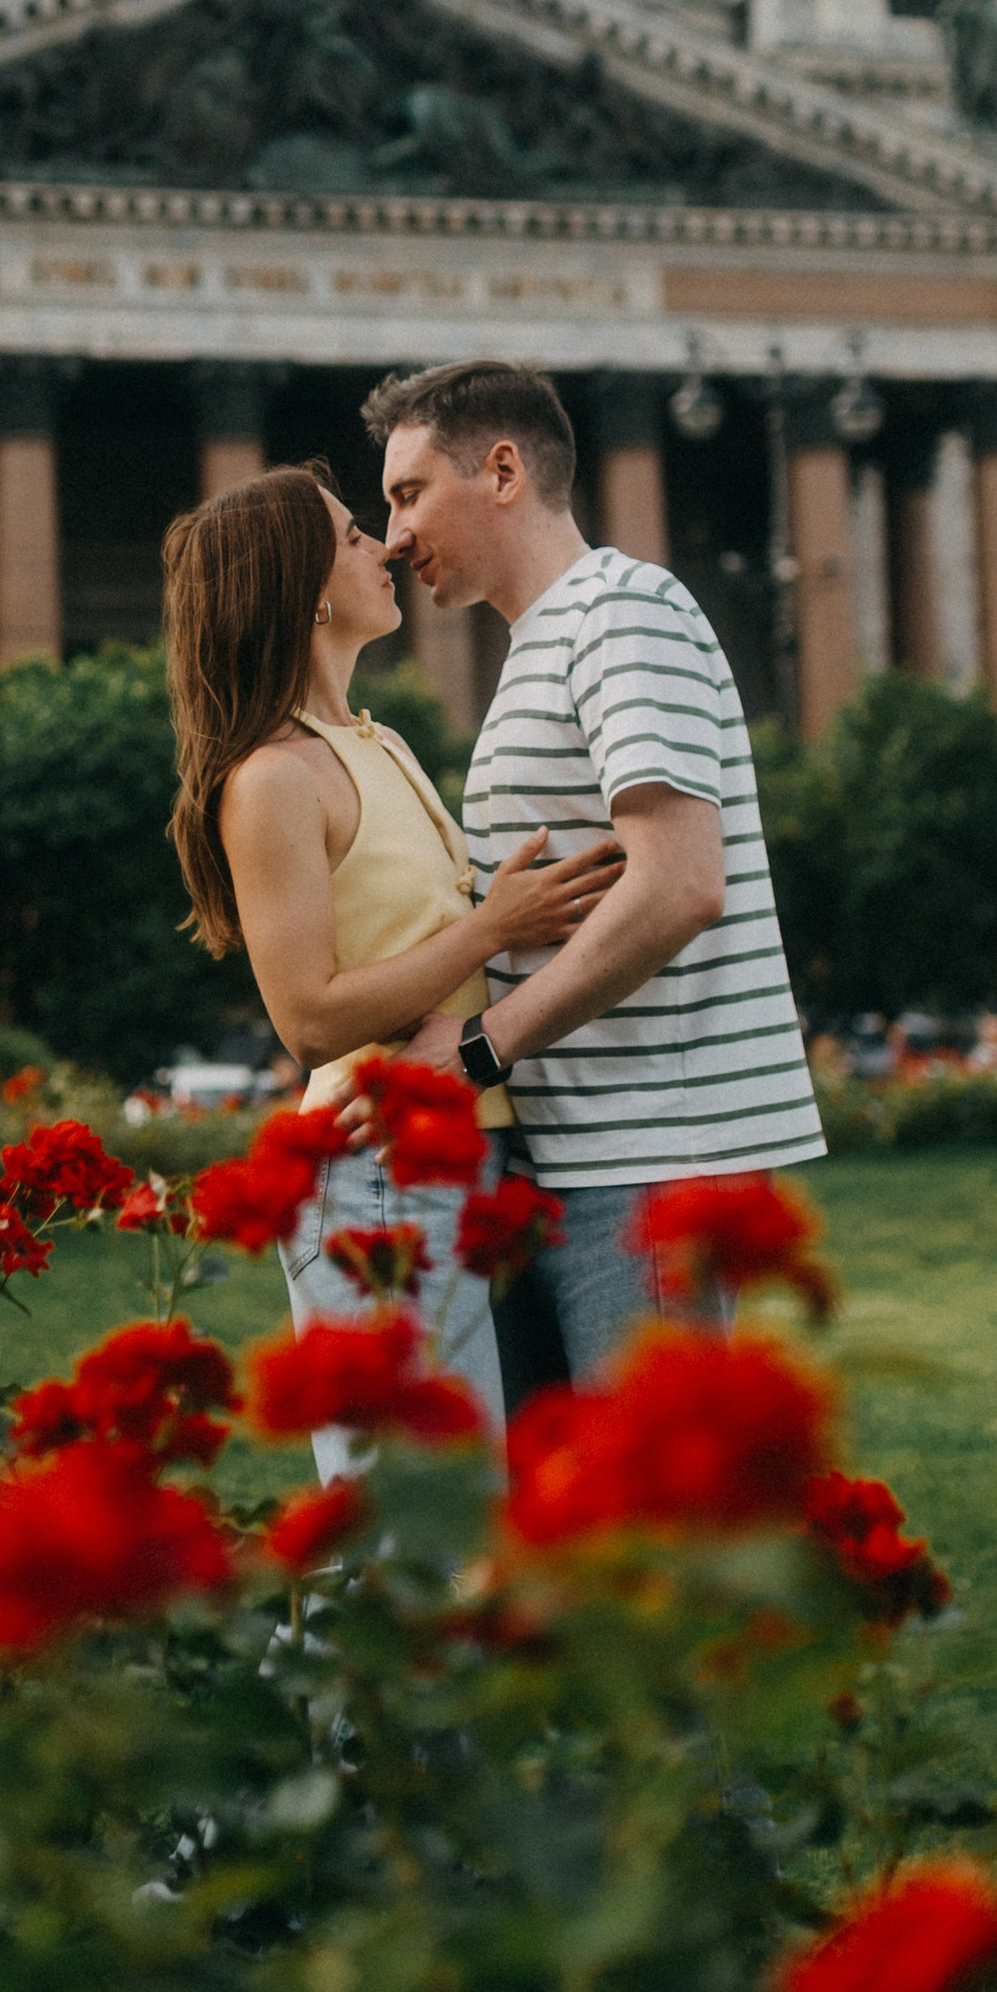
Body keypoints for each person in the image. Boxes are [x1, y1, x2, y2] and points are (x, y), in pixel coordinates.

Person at [364, 360, 822, 1392]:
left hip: (646, 1161)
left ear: (503, 471)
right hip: (581, 1158)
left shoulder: (623, 612)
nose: (393, 536)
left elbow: (679, 885)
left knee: (649, 1489)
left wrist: (478, 1048)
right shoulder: (548, 638)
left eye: (409, 494)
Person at [161, 462, 622, 1460]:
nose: (389, 545)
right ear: (305, 591)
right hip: (375, 1173)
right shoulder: (273, 779)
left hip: (466, 1154)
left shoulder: (378, 741)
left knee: (485, 1513)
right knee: (416, 1526)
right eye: (352, 536)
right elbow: (309, 1019)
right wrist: (492, 928)